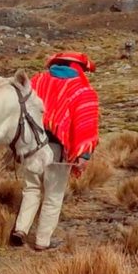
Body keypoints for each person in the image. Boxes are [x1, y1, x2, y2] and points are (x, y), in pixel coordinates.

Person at [10, 51, 99, 251]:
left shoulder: (38, 81)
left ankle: (21, 229)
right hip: (56, 149)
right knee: (53, 195)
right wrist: (84, 155)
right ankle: (42, 241)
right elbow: (86, 124)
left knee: (31, 189)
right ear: (77, 67)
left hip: (31, 145)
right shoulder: (82, 89)